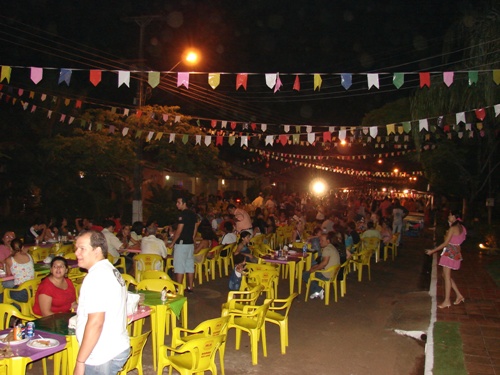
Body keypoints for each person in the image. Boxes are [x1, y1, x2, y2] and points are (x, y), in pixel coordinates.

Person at [74, 230, 129, 375]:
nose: (76, 253)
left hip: (102, 353)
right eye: (76, 248)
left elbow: (96, 322)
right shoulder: (110, 270)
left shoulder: (96, 277)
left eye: (82, 249)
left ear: (97, 250)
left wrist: (80, 361)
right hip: (115, 346)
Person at [425, 211, 466, 309]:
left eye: (450, 215)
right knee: (445, 275)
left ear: (455, 217)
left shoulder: (453, 228)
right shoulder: (462, 227)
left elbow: (445, 243)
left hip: (450, 253)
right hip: (455, 252)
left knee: (447, 276)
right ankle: (459, 295)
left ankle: (447, 300)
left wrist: (433, 251)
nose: (448, 216)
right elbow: (461, 240)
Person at [171, 197, 198, 293]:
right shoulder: (193, 214)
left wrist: (173, 243)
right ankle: (190, 287)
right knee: (189, 265)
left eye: (178, 202)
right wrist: (192, 239)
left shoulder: (183, 214)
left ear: (184, 203)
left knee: (179, 266)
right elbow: (195, 228)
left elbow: (179, 230)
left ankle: (179, 289)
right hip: (189, 243)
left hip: (181, 244)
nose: (177, 204)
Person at [302, 232, 340, 300]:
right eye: (320, 240)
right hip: (333, 273)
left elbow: (324, 263)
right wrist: (316, 267)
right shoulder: (332, 247)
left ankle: (319, 290)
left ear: (328, 241)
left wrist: (314, 269)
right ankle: (316, 291)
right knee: (312, 271)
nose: (320, 242)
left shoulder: (327, 249)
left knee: (306, 275)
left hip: (327, 274)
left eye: (322, 240)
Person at [3, 238, 35, 302]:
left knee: (2, 296)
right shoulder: (29, 256)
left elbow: (8, 274)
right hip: (33, 290)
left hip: (21, 291)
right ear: (22, 247)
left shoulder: (9, 260)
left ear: (11, 248)